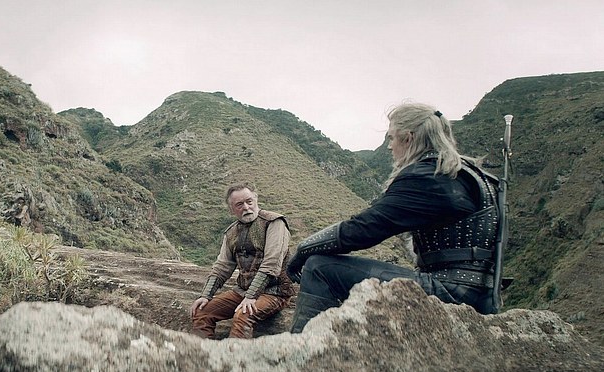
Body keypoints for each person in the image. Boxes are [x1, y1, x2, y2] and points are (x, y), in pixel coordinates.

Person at [286, 103, 501, 333]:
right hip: (481, 293)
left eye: (391, 138)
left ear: (408, 138)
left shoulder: (427, 176)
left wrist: (305, 248)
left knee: (319, 267)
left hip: (450, 291)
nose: (390, 146)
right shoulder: (473, 175)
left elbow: (364, 228)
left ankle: (304, 346)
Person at [190, 184, 296, 339]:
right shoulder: (231, 232)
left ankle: (236, 354)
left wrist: (251, 296)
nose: (246, 207)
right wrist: (205, 295)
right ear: (231, 209)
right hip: (242, 291)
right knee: (201, 312)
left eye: (249, 201)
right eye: (239, 204)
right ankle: (203, 351)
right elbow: (222, 267)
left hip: (275, 291)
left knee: (242, 315)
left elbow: (271, 263)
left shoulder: (274, 223)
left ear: (256, 200)